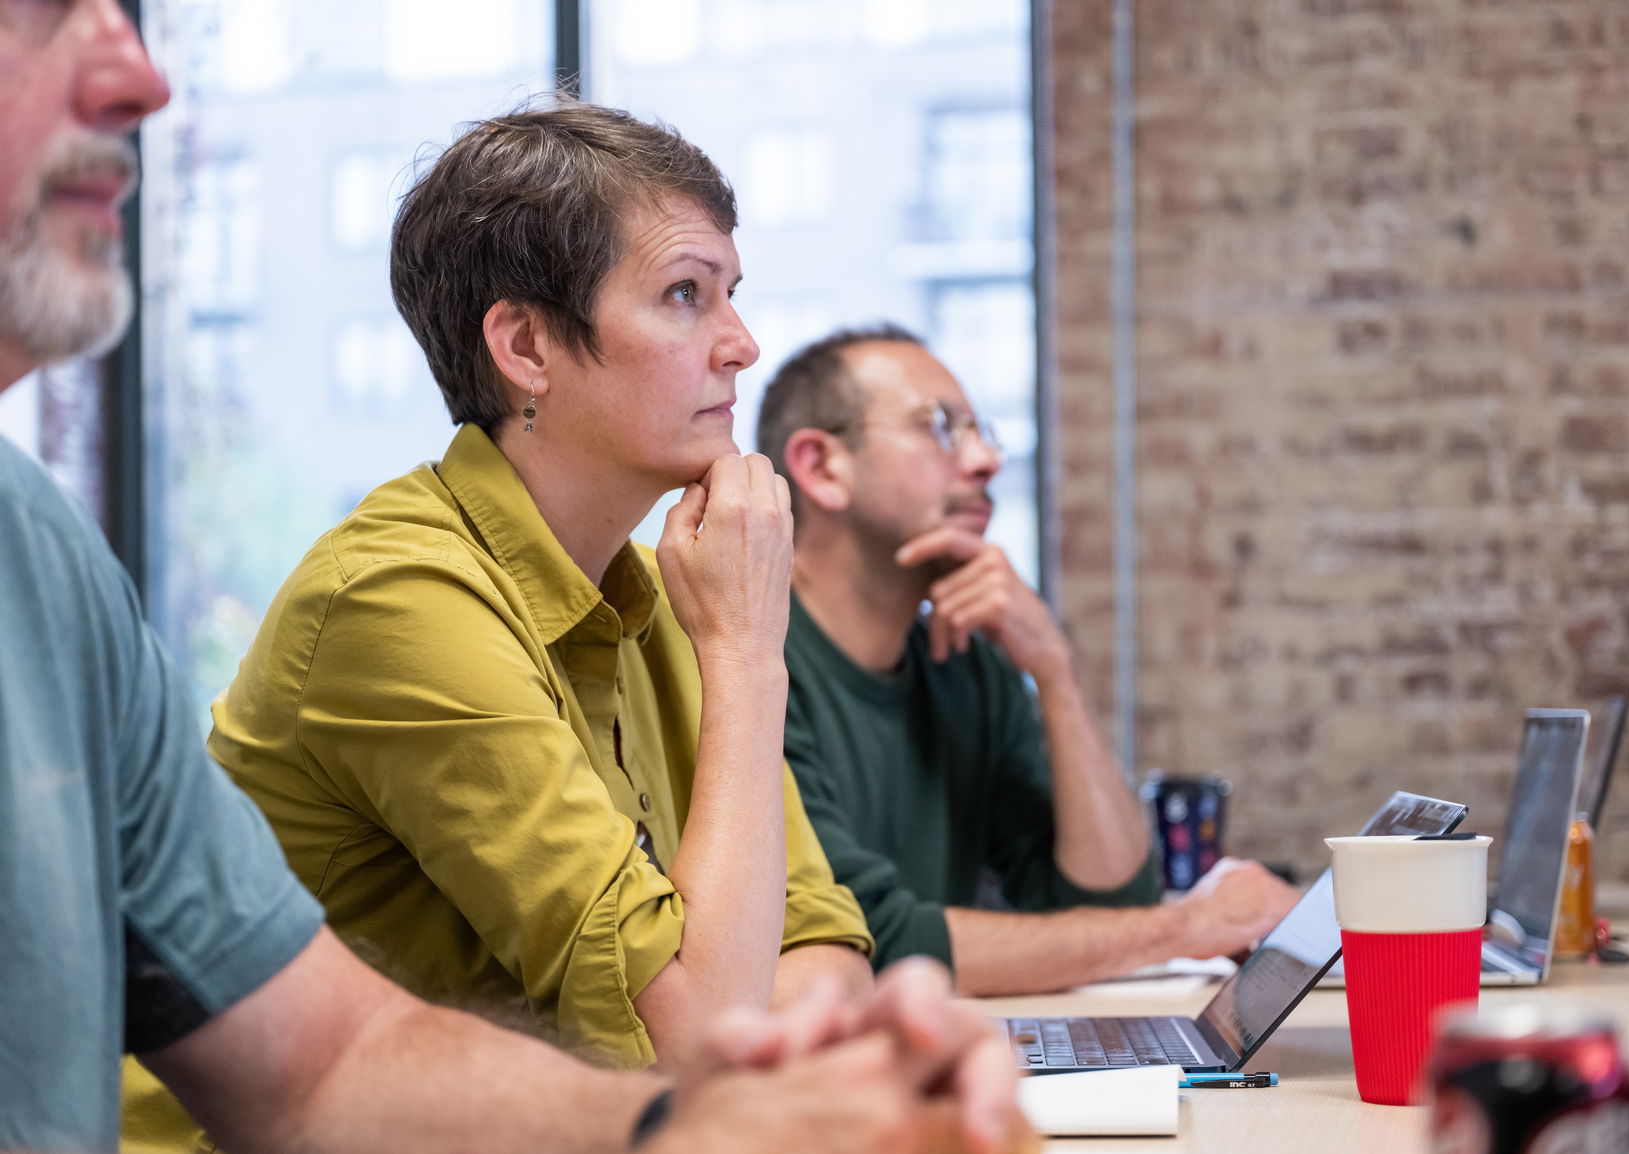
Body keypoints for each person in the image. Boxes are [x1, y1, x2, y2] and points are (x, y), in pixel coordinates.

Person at [0, 4, 1026, 1152]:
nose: (741, 342)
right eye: (689, 293)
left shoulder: (666, 588)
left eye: (732, 293)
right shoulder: (402, 597)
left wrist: (790, 1086)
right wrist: (747, 658)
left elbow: (817, 943)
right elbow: (695, 1035)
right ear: (526, 347)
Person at [757, 325, 1302, 995]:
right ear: (820, 467)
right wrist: (1188, 927)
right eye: (939, 427)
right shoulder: (749, 662)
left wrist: (1053, 669)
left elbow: (1106, 903)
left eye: (982, 432)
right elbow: (870, 939)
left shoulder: (968, 667)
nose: (986, 459)